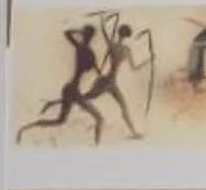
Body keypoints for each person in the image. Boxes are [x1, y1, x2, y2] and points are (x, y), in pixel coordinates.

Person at [21, 15, 144, 143]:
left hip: (95, 84)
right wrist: (147, 61)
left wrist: (90, 28)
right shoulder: (118, 50)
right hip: (99, 84)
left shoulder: (99, 47)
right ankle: (116, 139)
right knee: (98, 111)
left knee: (75, 113)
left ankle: (133, 132)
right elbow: (131, 68)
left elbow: (95, 35)